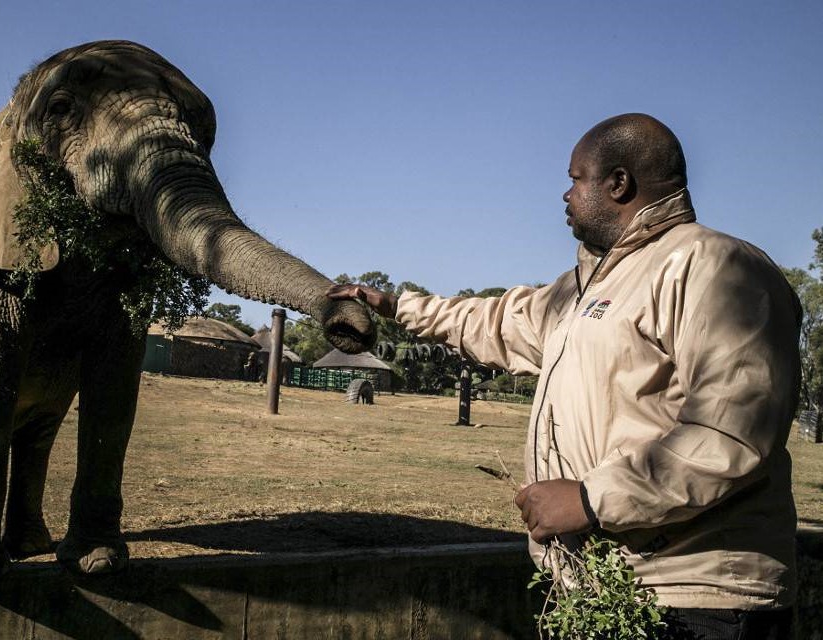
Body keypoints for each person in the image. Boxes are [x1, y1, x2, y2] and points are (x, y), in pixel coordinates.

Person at [328, 113, 801, 639]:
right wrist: (394, 305)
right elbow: (496, 321)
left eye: (575, 178)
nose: (565, 194)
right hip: (606, 589)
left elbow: (729, 433)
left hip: (700, 600)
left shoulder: (716, 268)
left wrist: (589, 499)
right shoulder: (587, 288)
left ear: (618, 183)